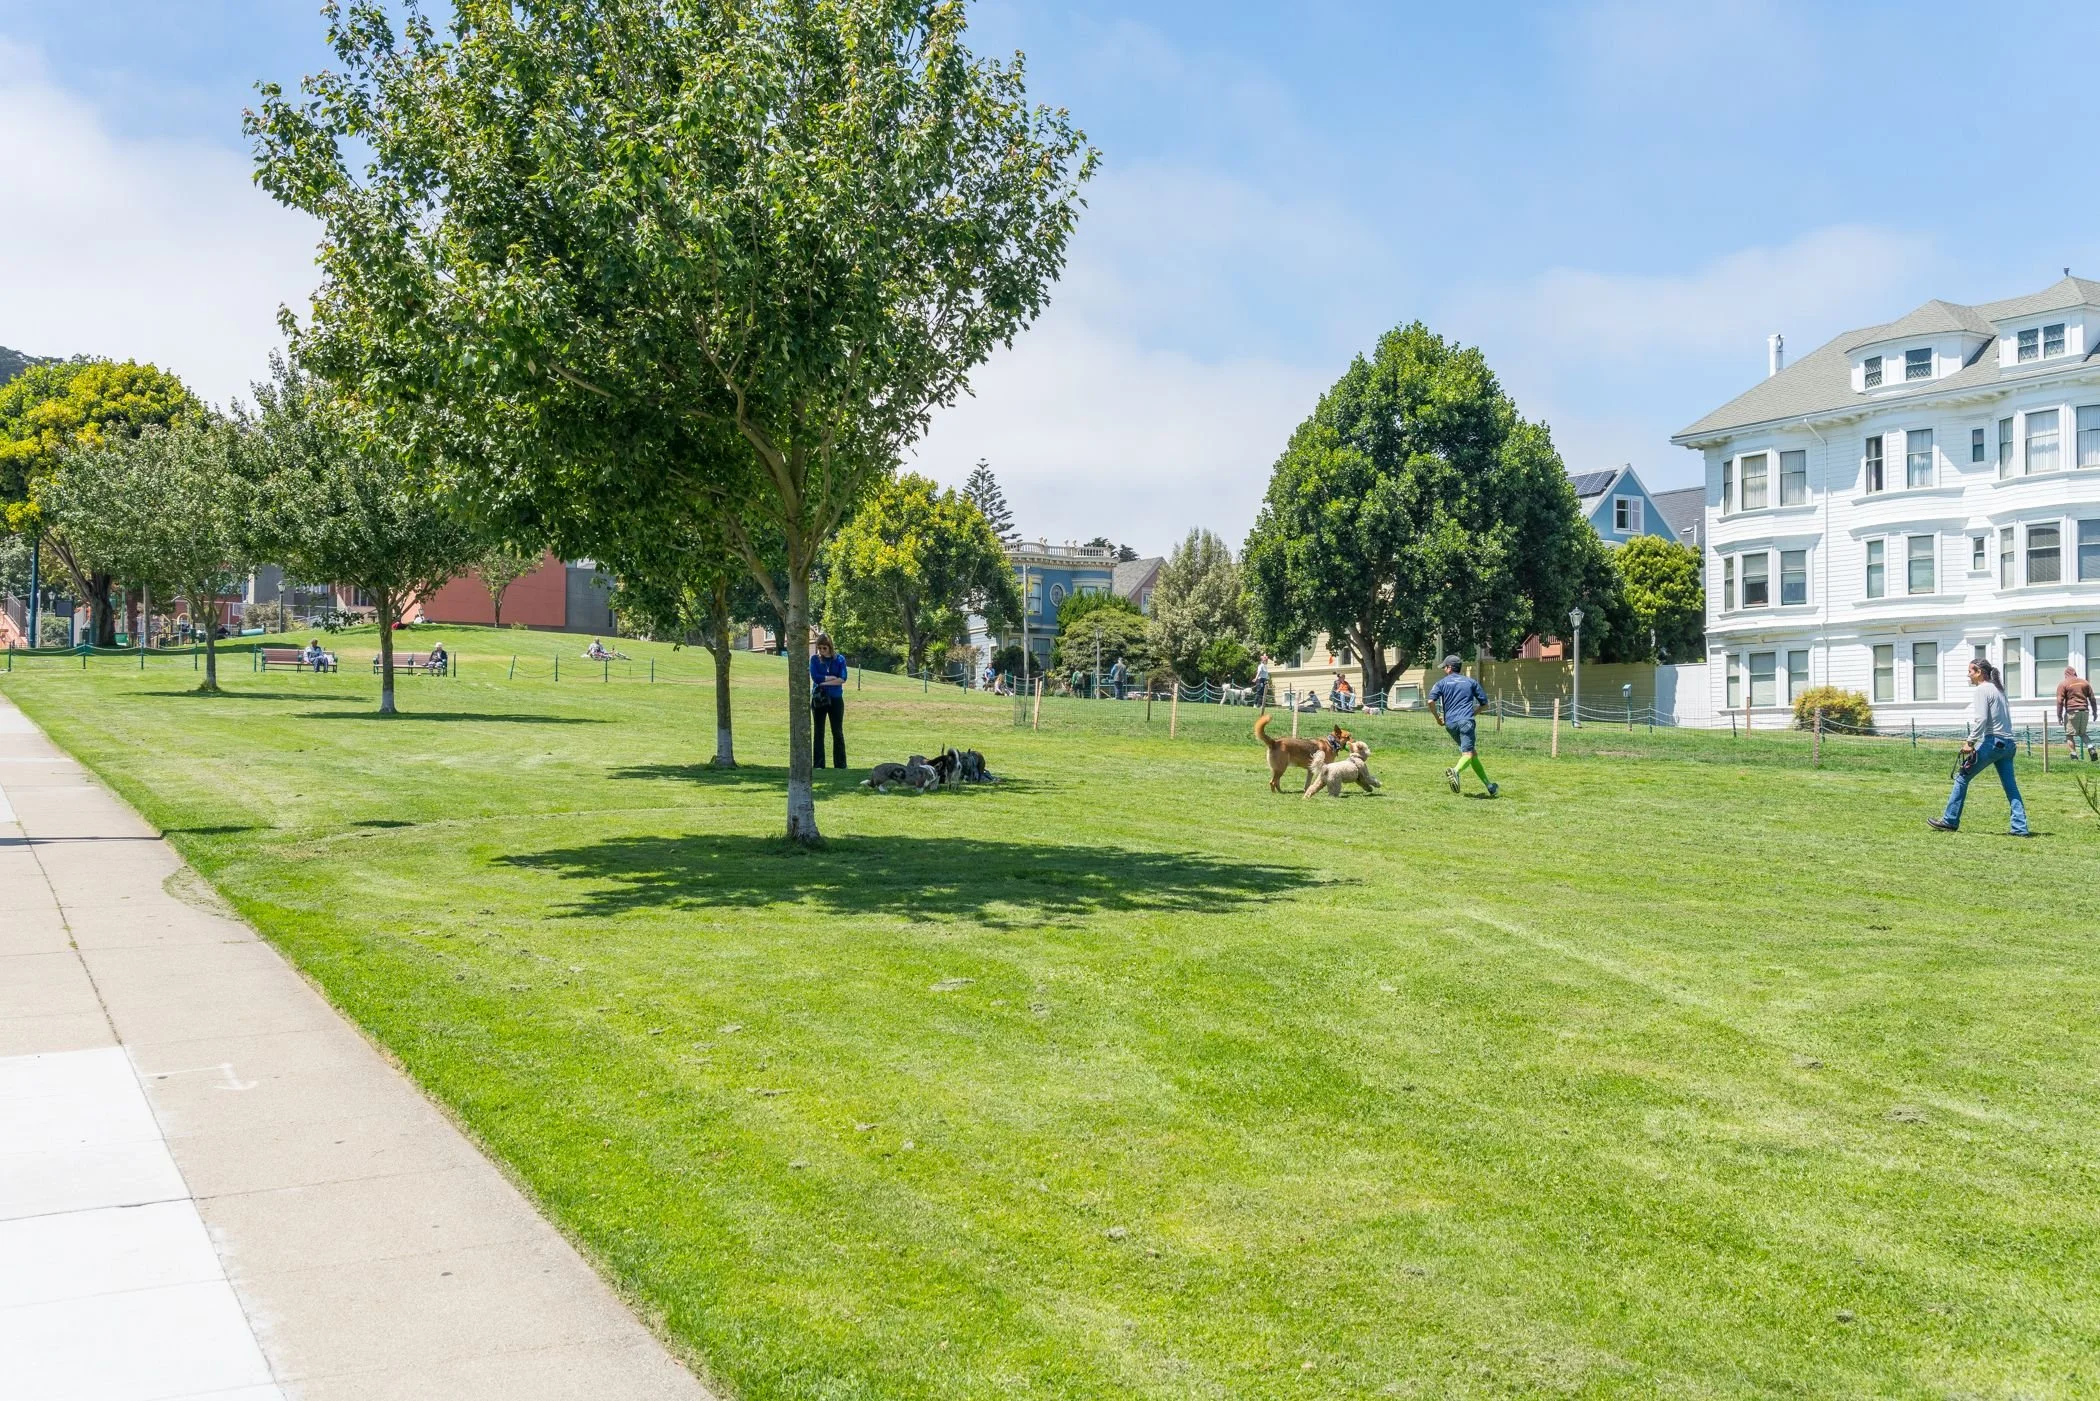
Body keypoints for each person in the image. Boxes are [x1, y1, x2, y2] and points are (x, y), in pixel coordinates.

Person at [1932, 657, 2029, 836]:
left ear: (1979, 672)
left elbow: (1982, 719)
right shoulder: (1999, 690)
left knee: (1962, 776)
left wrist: (1970, 742)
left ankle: (1950, 820)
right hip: (2009, 745)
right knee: (2011, 787)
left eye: (1970, 671)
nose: (1968, 675)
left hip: (1994, 743)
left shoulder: (1982, 690)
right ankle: (2020, 828)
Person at [1427, 654, 1498, 798]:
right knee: (1468, 753)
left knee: (1472, 753)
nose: (1443, 670)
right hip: (1466, 721)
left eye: (1444, 667)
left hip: (1450, 724)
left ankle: (1489, 786)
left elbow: (1430, 701)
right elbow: (1485, 704)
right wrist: (1473, 713)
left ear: (1449, 668)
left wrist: (1437, 718)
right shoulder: (1471, 682)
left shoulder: (1441, 683)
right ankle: (1456, 771)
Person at [810, 632, 848, 769]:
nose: (821, 651)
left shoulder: (839, 660)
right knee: (819, 732)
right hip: (819, 699)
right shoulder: (814, 659)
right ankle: (819, 764)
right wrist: (832, 678)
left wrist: (824, 682)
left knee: (837, 731)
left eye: (824, 648)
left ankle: (841, 764)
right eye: (819, 648)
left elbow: (842, 678)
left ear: (830, 647)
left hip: (836, 698)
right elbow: (815, 677)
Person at [2057, 665, 2096, 762]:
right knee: (2082, 733)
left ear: (2065, 675)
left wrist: (2059, 715)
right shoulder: (2085, 683)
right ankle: (2091, 749)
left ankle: (2074, 756)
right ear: (2075, 673)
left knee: (2069, 735)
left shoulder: (2064, 684)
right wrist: (2095, 712)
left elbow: (2059, 701)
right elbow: (2092, 698)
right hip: (2085, 711)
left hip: (2072, 712)